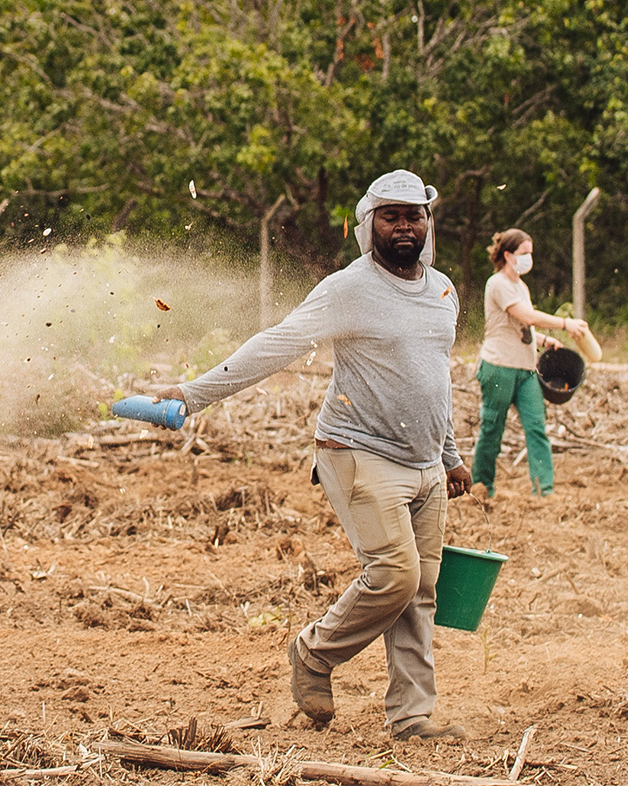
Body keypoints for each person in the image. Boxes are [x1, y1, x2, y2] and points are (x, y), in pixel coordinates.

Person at [154, 170, 472, 741]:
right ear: (367, 222)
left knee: (420, 593)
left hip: (424, 461)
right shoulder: (348, 288)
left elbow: (434, 381)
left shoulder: (444, 290)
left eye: (414, 215)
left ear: (428, 221)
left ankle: (411, 716)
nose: (404, 225)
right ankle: (314, 653)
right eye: (391, 215)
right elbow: (277, 344)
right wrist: (193, 393)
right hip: (359, 450)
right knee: (395, 576)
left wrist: (448, 455)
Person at [470, 229, 587, 500]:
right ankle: (482, 484)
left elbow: (523, 326)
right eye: (524, 253)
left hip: (525, 369)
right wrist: (565, 324)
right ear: (508, 255)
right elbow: (525, 315)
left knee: (536, 427)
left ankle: (544, 489)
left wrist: (545, 340)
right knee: (492, 426)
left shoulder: (521, 286)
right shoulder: (497, 284)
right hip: (499, 366)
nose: (528, 258)